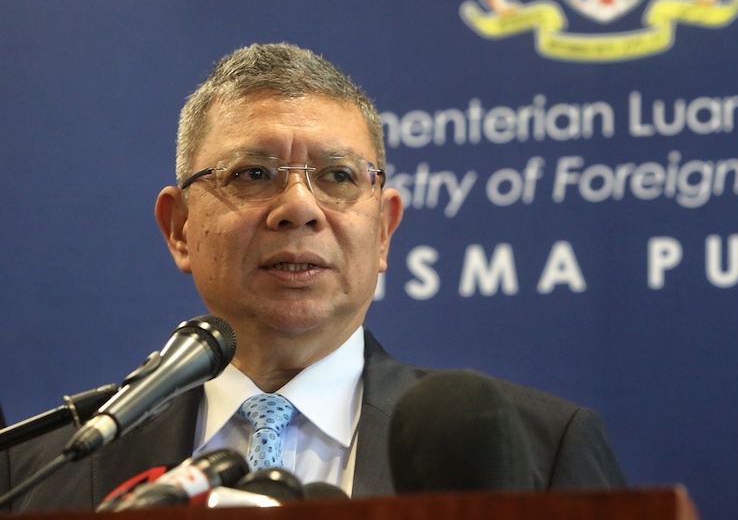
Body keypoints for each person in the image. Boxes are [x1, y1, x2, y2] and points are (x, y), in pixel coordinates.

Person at [1, 43, 625, 511]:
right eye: (251, 174)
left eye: (338, 177)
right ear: (181, 229)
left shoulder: (542, 452)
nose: (298, 207)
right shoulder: (40, 472)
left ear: (382, 231)